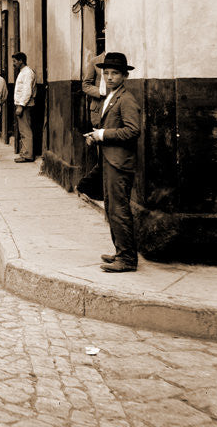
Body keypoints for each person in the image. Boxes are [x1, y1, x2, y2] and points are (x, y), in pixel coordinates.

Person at [84, 52, 141, 272]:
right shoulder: (112, 95)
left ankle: (127, 259)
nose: (109, 77)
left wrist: (102, 134)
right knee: (111, 208)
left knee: (119, 209)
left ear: (125, 76)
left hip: (120, 163)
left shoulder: (126, 99)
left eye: (115, 73)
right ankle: (121, 252)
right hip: (109, 160)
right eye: (106, 73)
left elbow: (132, 131)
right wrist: (96, 136)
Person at [77, 50, 106, 199]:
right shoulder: (95, 61)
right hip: (98, 110)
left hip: (113, 108)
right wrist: (101, 92)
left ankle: (88, 186)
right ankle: (94, 188)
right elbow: (86, 85)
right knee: (101, 151)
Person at [11, 52, 36, 163]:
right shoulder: (23, 72)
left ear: (21, 61)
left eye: (15, 61)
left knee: (25, 131)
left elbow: (27, 91)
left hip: (25, 105)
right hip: (23, 104)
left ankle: (27, 155)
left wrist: (21, 105)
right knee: (23, 130)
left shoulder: (27, 73)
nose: (13, 63)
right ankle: (25, 152)